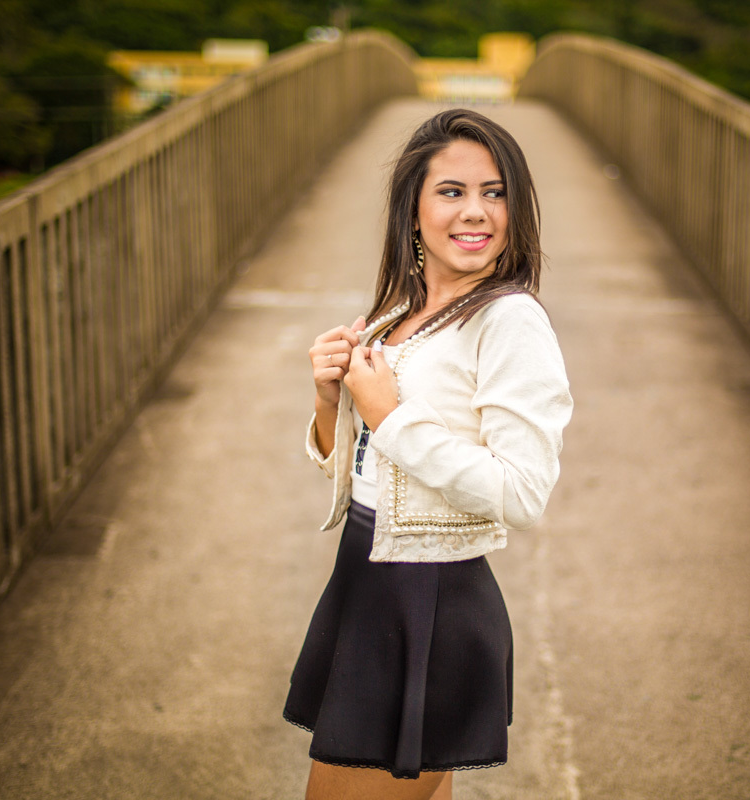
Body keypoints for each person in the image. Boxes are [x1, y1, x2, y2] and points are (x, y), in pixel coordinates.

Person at [283, 107, 573, 800]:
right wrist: (329, 401)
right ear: (412, 209)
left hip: (429, 603)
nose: (476, 211)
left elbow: (522, 492)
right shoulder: (399, 310)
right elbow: (367, 471)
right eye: (451, 191)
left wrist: (391, 416)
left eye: (495, 192)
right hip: (366, 583)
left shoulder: (509, 319)